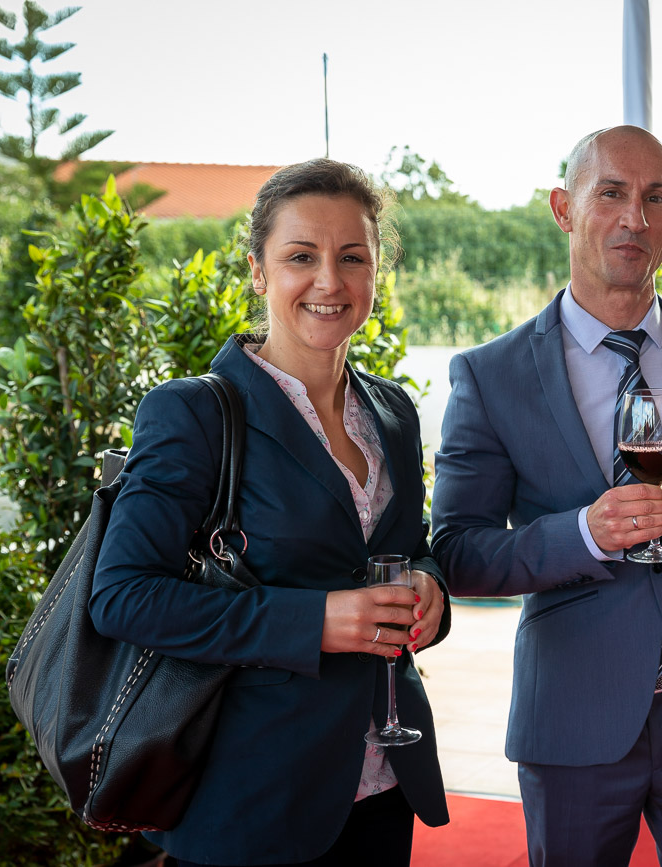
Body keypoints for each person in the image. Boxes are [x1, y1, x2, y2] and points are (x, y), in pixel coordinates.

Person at [431, 125, 662, 866]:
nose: (634, 217)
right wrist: (584, 534)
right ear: (564, 208)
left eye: (654, 197)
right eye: (611, 194)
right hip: (572, 718)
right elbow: (459, 553)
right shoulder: (490, 373)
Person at [91, 159, 451, 866]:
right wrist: (314, 620)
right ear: (259, 271)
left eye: (353, 257)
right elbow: (121, 596)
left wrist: (432, 587)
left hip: (383, 784)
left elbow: (410, 549)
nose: (329, 280)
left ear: (377, 271)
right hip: (249, 797)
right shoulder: (193, 412)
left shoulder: (394, 413)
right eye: (300, 257)